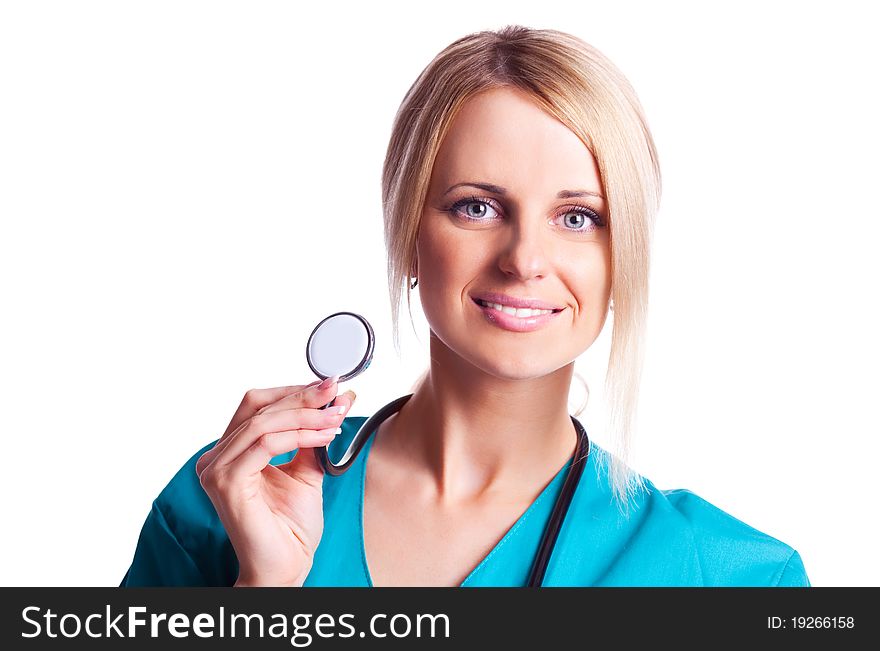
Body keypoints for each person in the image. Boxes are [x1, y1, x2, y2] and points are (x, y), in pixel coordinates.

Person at [120, 25, 810, 587]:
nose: (524, 258)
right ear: (408, 234)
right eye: (476, 207)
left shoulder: (736, 580)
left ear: (622, 255)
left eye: (577, 217)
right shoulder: (224, 505)